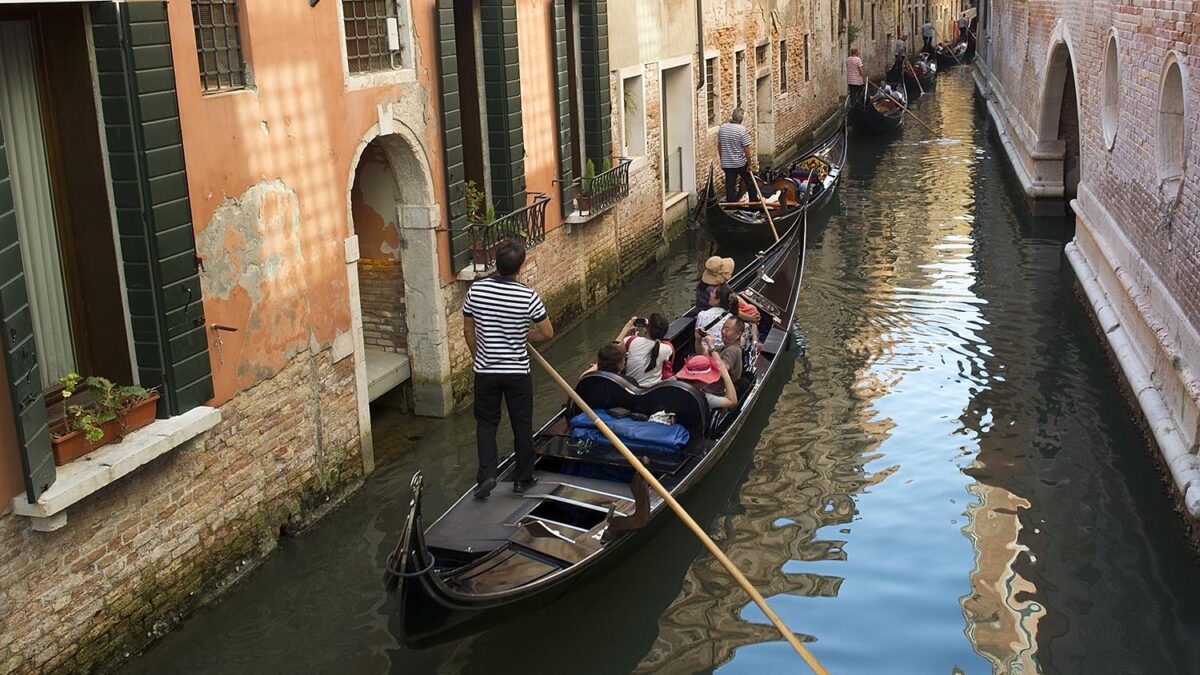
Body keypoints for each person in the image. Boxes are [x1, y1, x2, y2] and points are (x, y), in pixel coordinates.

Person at [462, 238, 555, 499]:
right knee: (521, 424)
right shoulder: (528, 296)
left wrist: (477, 356)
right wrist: (525, 338)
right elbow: (547, 333)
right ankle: (523, 479)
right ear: (520, 268)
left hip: (486, 370)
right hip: (516, 372)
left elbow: (468, 331)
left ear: (496, 263)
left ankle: (487, 475)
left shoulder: (476, 291)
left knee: (486, 423)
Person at [616, 313, 674, 387]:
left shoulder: (630, 340)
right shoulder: (668, 348)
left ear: (647, 327)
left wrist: (627, 327)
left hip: (631, 389)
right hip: (652, 390)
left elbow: (611, 351)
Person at [718, 108, 757, 204]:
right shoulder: (742, 130)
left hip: (727, 164)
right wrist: (750, 164)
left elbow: (719, 146)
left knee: (730, 186)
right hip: (740, 163)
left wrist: (723, 159)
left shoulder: (722, 128)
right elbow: (746, 150)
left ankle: (731, 205)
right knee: (750, 182)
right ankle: (754, 202)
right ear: (741, 119)